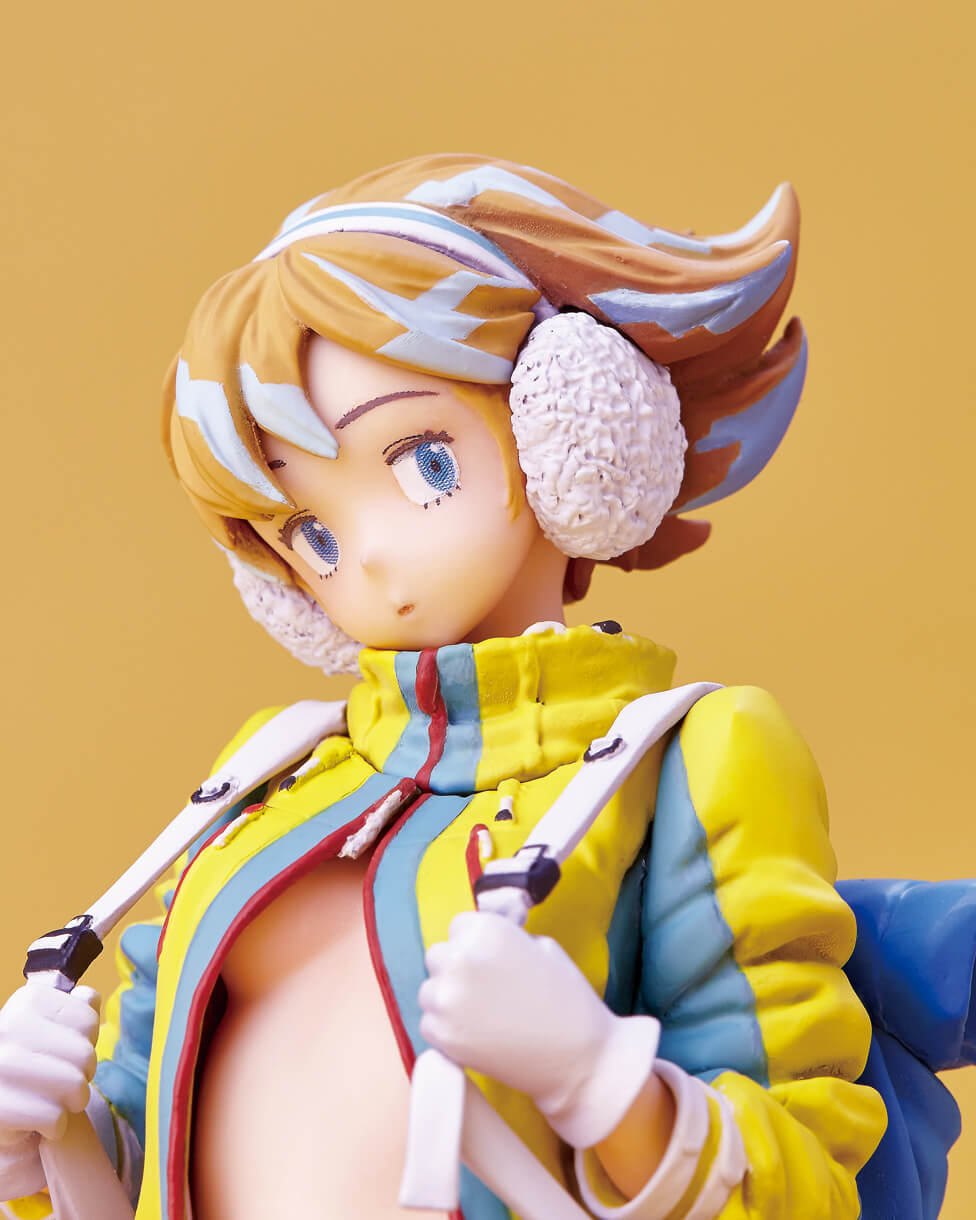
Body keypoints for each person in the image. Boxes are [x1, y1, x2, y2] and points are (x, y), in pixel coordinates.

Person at [0, 154, 965, 1220]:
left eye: (423, 462)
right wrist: (36, 1144)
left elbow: (803, 1179)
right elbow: (148, 1164)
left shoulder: (698, 759)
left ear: (573, 430)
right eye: (309, 531)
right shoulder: (265, 776)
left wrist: (604, 1086)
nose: (367, 555)